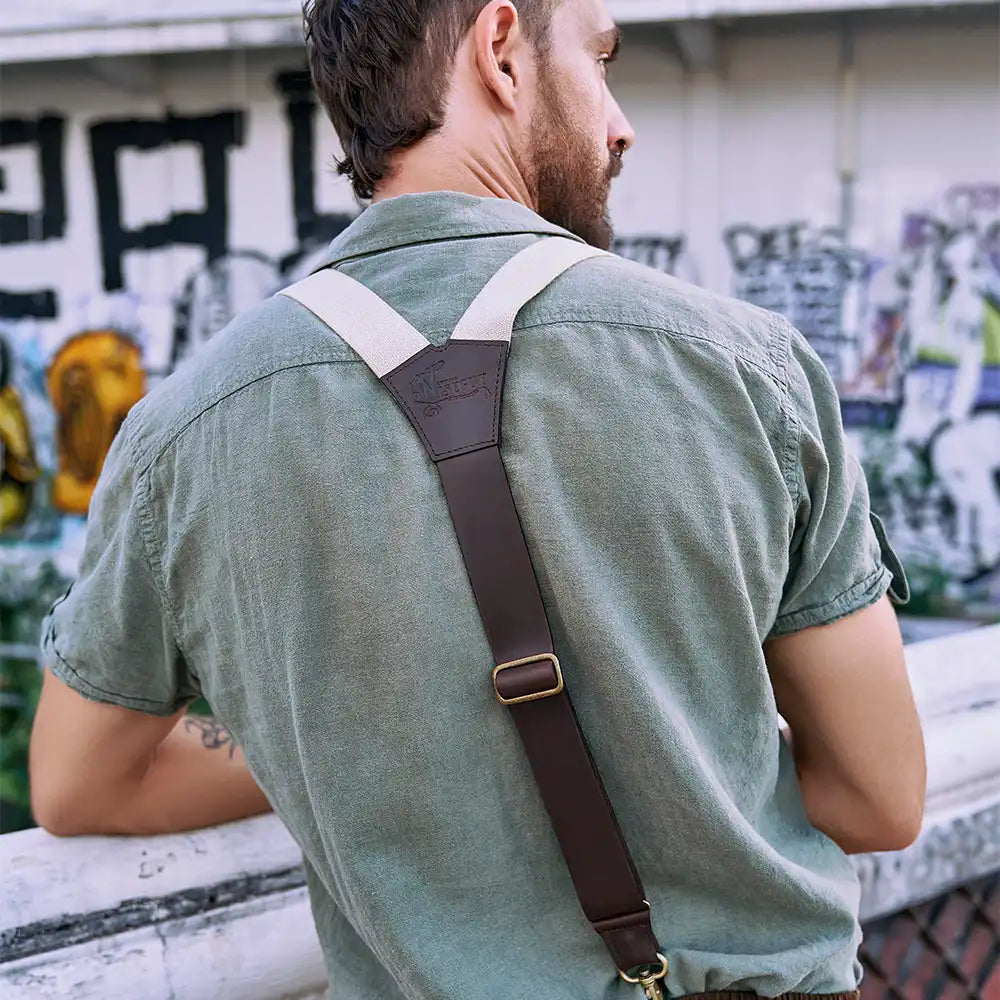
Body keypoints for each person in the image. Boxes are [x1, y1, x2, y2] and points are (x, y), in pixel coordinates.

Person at [29, 1, 926, 998]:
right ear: (501, 50)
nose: (618, 121)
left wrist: (337, 742)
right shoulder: (742, 368)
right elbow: (878, 796)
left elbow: (80, 783)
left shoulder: (182, 433)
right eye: (597, 59)